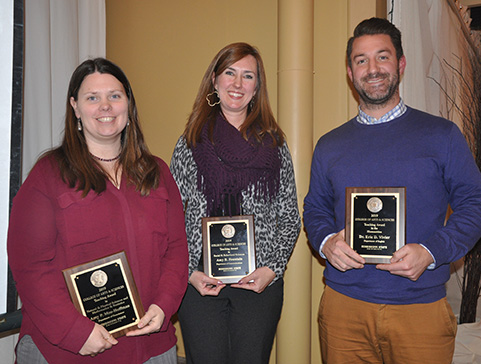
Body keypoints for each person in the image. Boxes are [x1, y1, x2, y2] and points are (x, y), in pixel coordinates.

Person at [303, 17, 481, 364]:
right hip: (343, 308)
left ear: (401, 64)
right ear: (350, 72)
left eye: (382, 56)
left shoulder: (442, 135)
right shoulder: (329, 145)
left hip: (420, 309)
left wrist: (431, 251)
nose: (372, 68)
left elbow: (479, 205)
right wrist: (327, 242)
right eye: (361, 60)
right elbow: (314, 209)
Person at [7, 58, 188, 364]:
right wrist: (74, 332)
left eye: (115, 96)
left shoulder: (156, 172)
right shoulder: (48, 175)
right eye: (93, 98)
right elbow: (30, 266)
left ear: (128, 106)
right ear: (75, 107)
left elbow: (176, 249)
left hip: (151, 347)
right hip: (69, 351)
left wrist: (163, 307)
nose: (105, 106)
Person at [170, 42, 301, 364]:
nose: (238, 84)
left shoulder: (274, 142)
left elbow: (289, 215)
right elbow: (169, 216)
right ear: (214, 80)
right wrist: (188, 273)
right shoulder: (190, 142)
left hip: (259, 283)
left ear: (257, 87)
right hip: (201, 284)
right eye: (230, 73)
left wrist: (273, 268)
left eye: (248, 76)